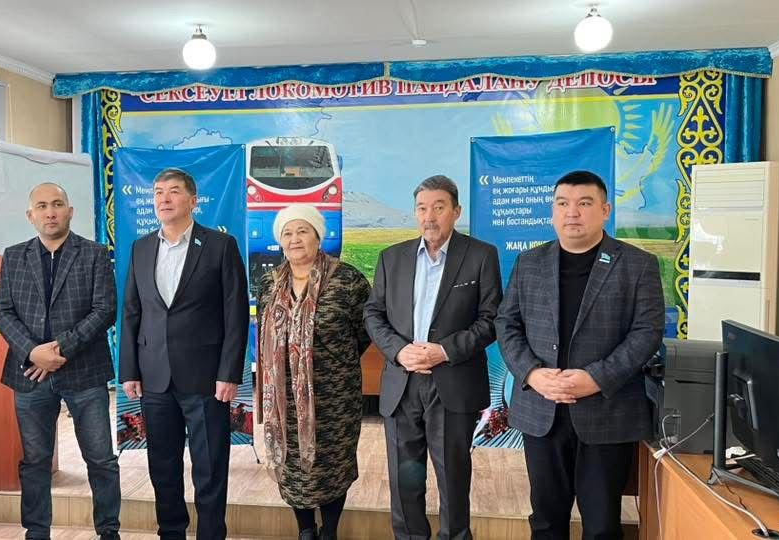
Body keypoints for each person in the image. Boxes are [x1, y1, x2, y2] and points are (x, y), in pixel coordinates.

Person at [495, 170, 665, 540]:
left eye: (584, 203)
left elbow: (647, 332)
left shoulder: (637, 264)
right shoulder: (529, 262)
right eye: (563, 203)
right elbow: (507, 324)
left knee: (602, 525)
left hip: (607, 411)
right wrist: (532, 374)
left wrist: (597, 378)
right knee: (545, 521)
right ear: (553, 211)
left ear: (605, 211)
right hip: (542, 411)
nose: (572, 212)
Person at [364, 175, 502, 540]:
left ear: (456, 211)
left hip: (452, 383)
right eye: (422, 208)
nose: (430, 216)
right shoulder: (392, 258)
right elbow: (373, 314)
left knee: (452, 477)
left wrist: (444, 351)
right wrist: (399, 350)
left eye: (439, 207)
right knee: (404, 478)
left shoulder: (480, 255)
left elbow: (491, 320)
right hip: (403, 382)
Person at [119, 168, 249, 540]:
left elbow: (235, 313)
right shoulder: (141, 248)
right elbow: (132, 312)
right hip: (155, 377)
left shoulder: (220, 246)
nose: (164, 198)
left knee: (210, 467)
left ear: (193, 201)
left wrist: (229, 373)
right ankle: (171, 532)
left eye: (173, 191)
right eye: (158, 191)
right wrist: (129, 370)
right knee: (163, 468)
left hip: (206, 378)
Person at [0, 182, 121, 540]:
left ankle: (108, 531)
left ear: (70, 211)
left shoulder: (94, 253)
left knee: (101, 459)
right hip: (30, 374)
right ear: (30, 215)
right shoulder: (14, 256)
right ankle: (36, 533)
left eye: (57, 204)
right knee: (35, 461)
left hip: (84, 371)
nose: (50, 212)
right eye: (42, 206)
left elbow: (104, 309)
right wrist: (33, 352)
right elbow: (2, 311)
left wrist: (59, 350)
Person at [256, 204, 371, 540]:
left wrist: (330, 361)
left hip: (334, 397)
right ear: (280, 241)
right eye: (287, 233)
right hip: (284, 400)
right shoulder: (269, 284)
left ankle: (330, 531)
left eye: (302, 231)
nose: (295, 239)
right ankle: (305, 530)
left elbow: (365, 333)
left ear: (318, 236)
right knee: (293, 466)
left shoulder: (347, 280)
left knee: (332, 464)